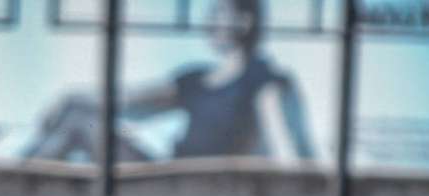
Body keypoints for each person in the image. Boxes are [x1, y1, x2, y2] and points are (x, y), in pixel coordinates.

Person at [23, 0, 314, 163]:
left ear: (245, 21)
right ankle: (15, 177)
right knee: (77, 118)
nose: (210, 22)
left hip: (203, 189)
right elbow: (131, 101)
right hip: (169, 173)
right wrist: (71, 98)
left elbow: (287, 149)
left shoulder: (264, 82)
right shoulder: (196, 80)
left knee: (76, 123)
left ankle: (12, 184)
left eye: (218, 13)